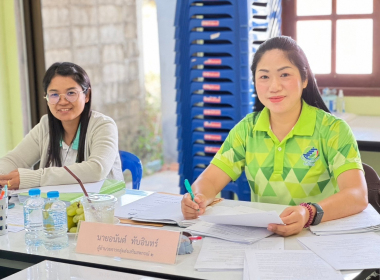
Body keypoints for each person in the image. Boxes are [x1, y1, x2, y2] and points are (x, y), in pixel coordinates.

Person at [181, 36, 368, 236]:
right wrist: (198, 198)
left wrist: (308, 213)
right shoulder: (246, 130)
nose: (274, 86)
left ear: (304, 79)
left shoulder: (333, 129)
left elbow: (357, 195)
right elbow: (209, 180)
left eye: (285, 74)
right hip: (264, 239)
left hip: (317, 236)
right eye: (264, 77)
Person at [0, 62, 123, 190]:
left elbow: (97, 169)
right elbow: (14, 160)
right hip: (59, 207)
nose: (63, 102)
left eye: (71, 93)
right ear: (47, 98)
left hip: (102, 207)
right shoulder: (45, 125)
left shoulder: (103, 126)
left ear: (86, 95)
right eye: (54, 95)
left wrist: (35, 178)